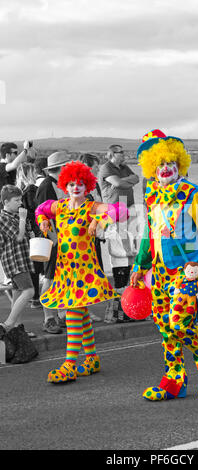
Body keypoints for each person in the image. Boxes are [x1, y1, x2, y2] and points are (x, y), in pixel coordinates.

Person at [131, 129, 198, 401]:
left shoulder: (192, 194)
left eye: (170, 163)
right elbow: (148, 233)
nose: (165, 168)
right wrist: (140, 265)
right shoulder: (152, 197)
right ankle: (174, 380)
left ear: (179, 164)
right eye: (160, 164)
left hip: (189, 270)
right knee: (165, 326)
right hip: (160, 271)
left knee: (179, 321)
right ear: (152, 167)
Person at [35, 160, 128, 383]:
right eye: (71, 184)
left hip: (84, 272)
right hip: (65, 270)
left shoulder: (91, 207)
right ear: (65, 186)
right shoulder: (60, 206)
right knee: (81, 313)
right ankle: (92, 358)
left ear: (87, 186)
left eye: (80, 184)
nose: (75, 188)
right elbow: (40, 209)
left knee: (74, 313)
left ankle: (70, 363)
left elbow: (121, 210)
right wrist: (43, 222)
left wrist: (99, 219)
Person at [99, 144, 139, 323]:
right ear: (112, 154)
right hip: (114, 214)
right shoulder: (106, 167)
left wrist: (128, 180)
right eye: (120, 152)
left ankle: (129, 308)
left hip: (128, 211)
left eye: (124, 151)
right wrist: (128, 181)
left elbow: (137, 178)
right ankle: (118, 311)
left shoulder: (123, 167)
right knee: (119, 258)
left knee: (130, 257)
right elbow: (119, 183)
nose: (124, 154)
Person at [36, 151, 70, 334]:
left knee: (58, 278)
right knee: (49, 278)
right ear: (62, 168)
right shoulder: (47, 186)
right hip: (52, 240)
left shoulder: (57, 184)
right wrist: (54, 239)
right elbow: (42, 215)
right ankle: (48, 318)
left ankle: (59, 314)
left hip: (62, 239)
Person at [0, 185, 35, 335]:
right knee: (29, 291)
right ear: (6, 202)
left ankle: (17, 329)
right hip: (14, 261)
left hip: (21, 258)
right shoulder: (3, 218)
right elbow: (19, 237)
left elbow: (26, 234)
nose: (20, 203)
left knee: (17, 293)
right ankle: (8, 324)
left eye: (20, 199)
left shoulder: (13, 216)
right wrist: (22, 218)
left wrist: (27, 226)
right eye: (16, 200)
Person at [78, 153, 104, 322]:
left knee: (93, 274)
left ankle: (86, 311)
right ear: (87, 167)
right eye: (96, 167)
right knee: (84, 274)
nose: (98, 170)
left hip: (95, 234)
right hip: (82, 238)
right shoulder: (79, 187)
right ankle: (83, 312)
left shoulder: (94, 185)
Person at [16, 162, 43, 309]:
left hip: (24, 229)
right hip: (34, 229)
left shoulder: (19, 191)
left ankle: (33, 297)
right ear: (29, 174)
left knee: (31, 264)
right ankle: (36, 297)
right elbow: (36, 208)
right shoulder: (32, 189)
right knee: (37, 264)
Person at [0, 141, 35, 206]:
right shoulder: (1, 166)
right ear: (7, 155)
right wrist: (25, 150)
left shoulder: (10, 167)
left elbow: (31, 160)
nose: (17, 155)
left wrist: (30, 148)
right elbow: (14, 165)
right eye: (15, 153)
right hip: (5, 205)